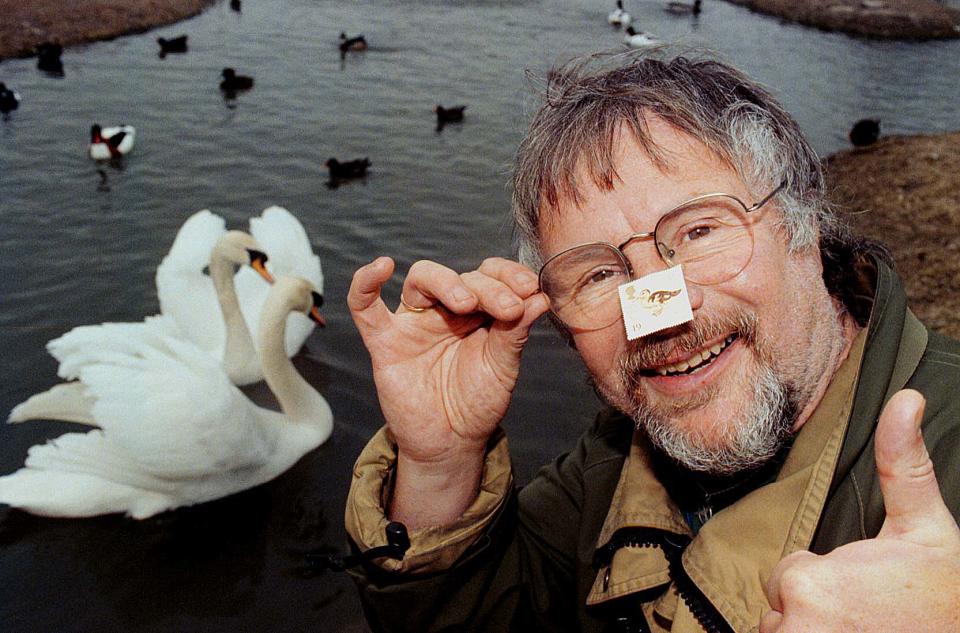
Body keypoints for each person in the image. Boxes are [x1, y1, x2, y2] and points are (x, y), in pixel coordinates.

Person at [344, 50, 960, 632]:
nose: (657, 312)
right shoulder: (614, 459)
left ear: (807, 228)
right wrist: (441, 461)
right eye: (600, 274)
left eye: (698, 232)